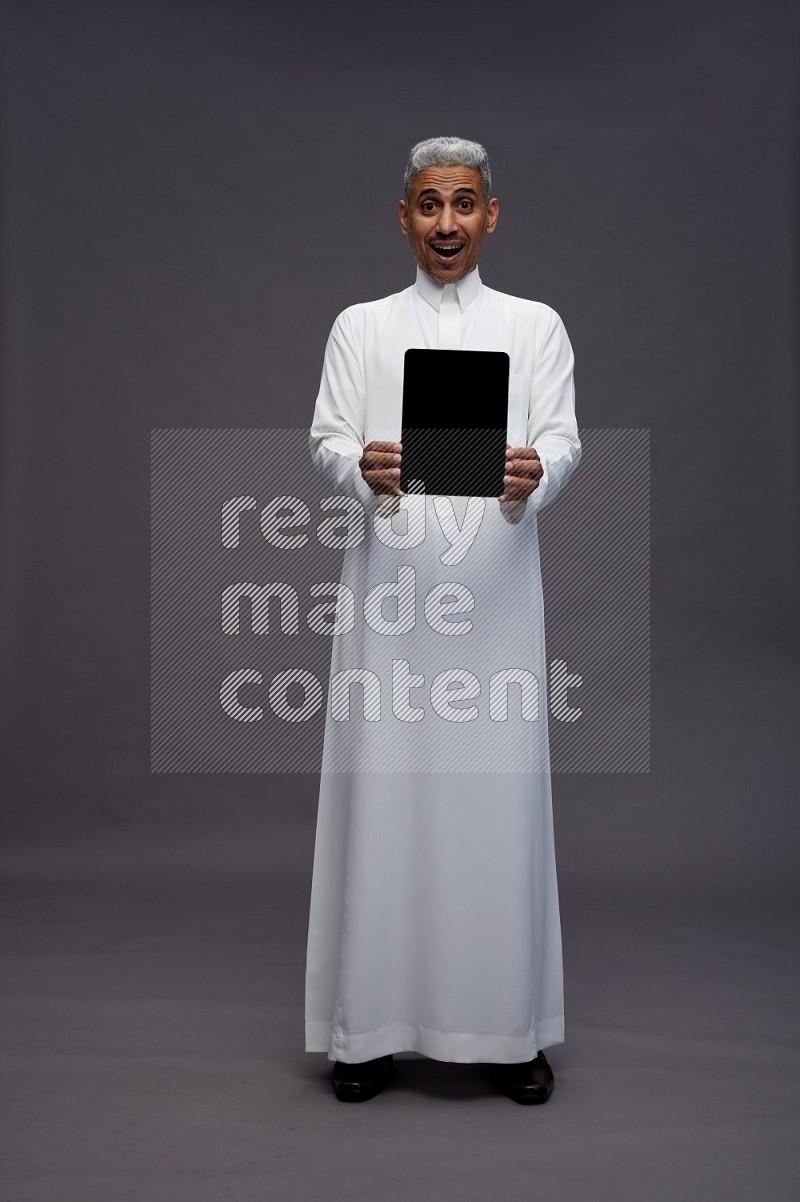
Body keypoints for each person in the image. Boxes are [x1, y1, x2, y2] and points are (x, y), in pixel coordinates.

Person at [304, 136, 581, 1104]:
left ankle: (507, 1030)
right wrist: (359, 467)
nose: (447, 222)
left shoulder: (534, 326)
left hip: (496, 602)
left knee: (495, 801)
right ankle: (368, 1027)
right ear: (403, 216)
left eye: (464, 203)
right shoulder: (361, 326)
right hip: (392, 598)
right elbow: (327, 434)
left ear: (490, 214)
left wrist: (538, 469)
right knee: (385, 794)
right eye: (429, 205)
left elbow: (561, 436)